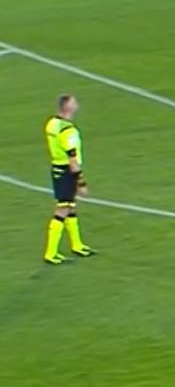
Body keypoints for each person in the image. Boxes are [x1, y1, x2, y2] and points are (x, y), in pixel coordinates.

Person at [43, 94, 94, 265]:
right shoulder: (68, 131)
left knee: (71, 206)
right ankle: (51, 253)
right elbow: (72, 160)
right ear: (68, 107)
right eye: (74, 102)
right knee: (62, 209)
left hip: (57, 168)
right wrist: (81, 183)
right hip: (66, 172)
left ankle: (77, 245)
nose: (77, 104)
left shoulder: (52, 123)